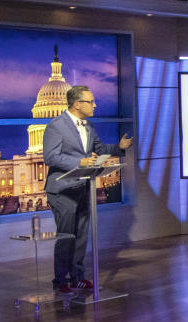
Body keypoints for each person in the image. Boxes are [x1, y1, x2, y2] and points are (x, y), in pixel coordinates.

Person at [43, 85, 133, 294]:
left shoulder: (88, 126)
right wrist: (80, 161)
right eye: (90, 101)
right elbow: (51, 157)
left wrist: (119, 147)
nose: (95, 105)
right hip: (63, 190)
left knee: (82, 236)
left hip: (83, 186)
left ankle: (77, 278)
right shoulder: (56, 126)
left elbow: (100, 150)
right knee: (67, 236)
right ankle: (60, 280)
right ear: (77, 104)